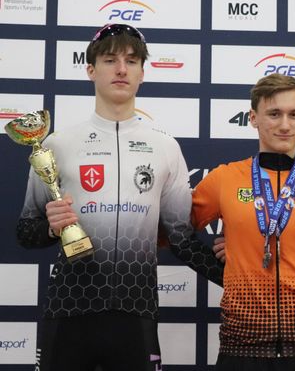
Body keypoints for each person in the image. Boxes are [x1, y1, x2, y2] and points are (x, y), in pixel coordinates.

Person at [16, 23, 222, 371]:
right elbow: (25, 232)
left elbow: (182, 240)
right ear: (91, 70)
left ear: (142, 73)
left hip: (136, 311)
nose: (122, 69)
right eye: (110, 60)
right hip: (68, 309)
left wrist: (241, 279)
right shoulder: (56, 145)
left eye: (131, 61)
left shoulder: (165, 148)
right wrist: (51, 228)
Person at [190, 73, 295, 371]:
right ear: (253, 118)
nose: (284, 125)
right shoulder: (224, 179)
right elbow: (177, 235)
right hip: (241, 349)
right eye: (274, 114)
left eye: (294, 114)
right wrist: (227, 271)